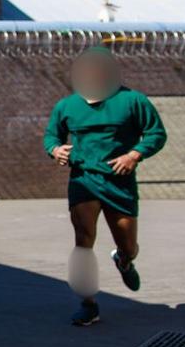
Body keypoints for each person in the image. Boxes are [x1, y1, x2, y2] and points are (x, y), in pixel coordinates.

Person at [44, 46, 167, 327]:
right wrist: (55, 150)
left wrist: (134, 155)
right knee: (83, 240)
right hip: (83, 179)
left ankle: (124, 260)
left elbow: (157, 134)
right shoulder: (66, 106)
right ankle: (88, 305)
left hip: (119, 181)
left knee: (128, 244)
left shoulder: (133, 101)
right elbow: (51, 136)